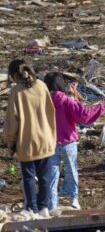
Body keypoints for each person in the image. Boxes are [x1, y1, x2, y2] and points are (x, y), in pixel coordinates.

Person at [44, 72, 105, 210]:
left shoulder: (43, 103)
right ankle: (73, 199)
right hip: (68, 143)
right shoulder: (67, 101)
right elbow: (84, 117)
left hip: (50, 144)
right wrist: (102, 106)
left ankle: (51, 204)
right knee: (71, 171)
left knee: (52, 175)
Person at [3, 59, 56, 216]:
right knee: (45, 177)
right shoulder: (42, 86)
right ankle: (44, 208)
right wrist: (51, 136)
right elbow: (50, 112)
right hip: (45, 139)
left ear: (14, 75)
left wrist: (10, 142)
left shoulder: (17, 92)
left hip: (26, 142)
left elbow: (12, 120)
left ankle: (31, 209)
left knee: (29, 178)